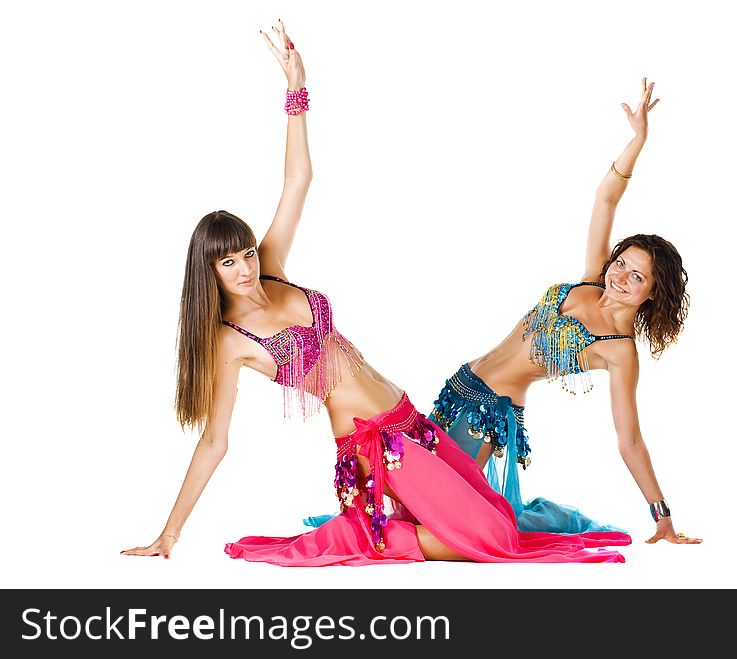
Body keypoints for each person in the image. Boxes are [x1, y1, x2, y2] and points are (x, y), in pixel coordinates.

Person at [121, 20, 632, 566]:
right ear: (210, 274)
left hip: (412, 426)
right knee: (491, 540)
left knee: (503, 522)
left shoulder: (270, 271)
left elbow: (299, 180)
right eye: (230, 262)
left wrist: (296, 90)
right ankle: (363, 534)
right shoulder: (229, 341)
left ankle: (384, 529)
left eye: (246, 253)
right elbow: (214, 443)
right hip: (374, 454)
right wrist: (168, 535)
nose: (246, 268)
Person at [429, 79, 701, 544]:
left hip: (491, 414)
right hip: (459, 384)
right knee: (399, 492)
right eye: (621, 263)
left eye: (637, 277)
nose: (619, 277)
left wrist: (662, 516)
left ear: (652, 294)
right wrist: (637, 141)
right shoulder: (592, 282)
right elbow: (605, 200)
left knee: (438, 516)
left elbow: (629, 440)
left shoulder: (618, 352)